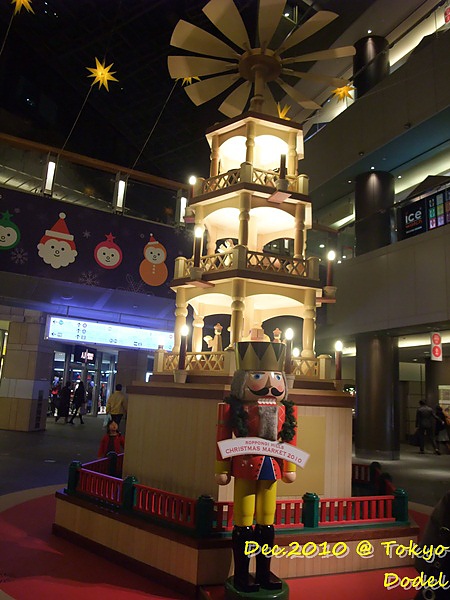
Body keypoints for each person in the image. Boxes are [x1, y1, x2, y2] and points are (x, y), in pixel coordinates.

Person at [215, 341, 297, 593]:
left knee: (267, 520)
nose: (270, 384)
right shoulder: (232, 409)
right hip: (244, 467)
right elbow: (222, 436)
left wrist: (290, 466)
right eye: (259, 376)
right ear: (242, 379)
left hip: (271, 468)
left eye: (276, 377)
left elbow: (290, 437)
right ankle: (242, 574)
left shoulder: (286, 410)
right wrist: (222, 467)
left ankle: (263, 571)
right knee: (243, 520)